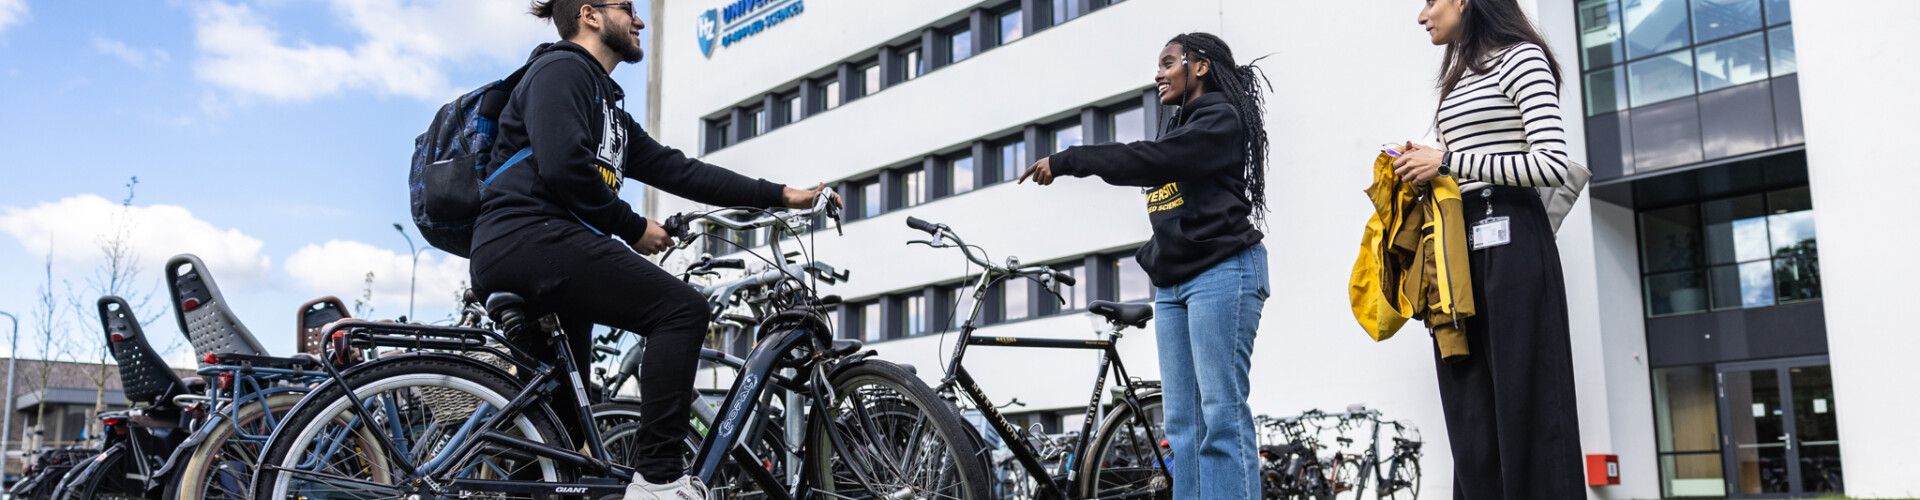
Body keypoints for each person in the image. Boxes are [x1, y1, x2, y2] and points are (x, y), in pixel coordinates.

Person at [470, 1, 832, 498]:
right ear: (590, 15)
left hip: (538, 250)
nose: (639, 20)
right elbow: (561, 167)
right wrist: (633, 226)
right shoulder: (560, 71)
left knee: (556, 438)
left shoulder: (606, 108)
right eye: (627, 8)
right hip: (528, 238)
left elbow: (679, 170)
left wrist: (779, 194)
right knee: (681, 310)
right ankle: (659, 481)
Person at [1019, 32, 1272, 500]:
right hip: (1175, 283)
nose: (1159, 73)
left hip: (1223, 272)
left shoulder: (1219, 118)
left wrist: (1071, 159)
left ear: (1199, 66)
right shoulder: (1179, 128)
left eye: (1168, 62)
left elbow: (1150, 160)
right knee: (1182, 425)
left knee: (1220, 414)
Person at [1392, 0, 1585, 498]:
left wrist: (1449, 160)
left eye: (1430, 1)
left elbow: (1550, 164)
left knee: (1530, 401)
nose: (1421, 15)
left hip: (1514, 237)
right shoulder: (1458, 76)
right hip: (1457, 243)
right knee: (1470, 410)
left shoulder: (1523, 57)